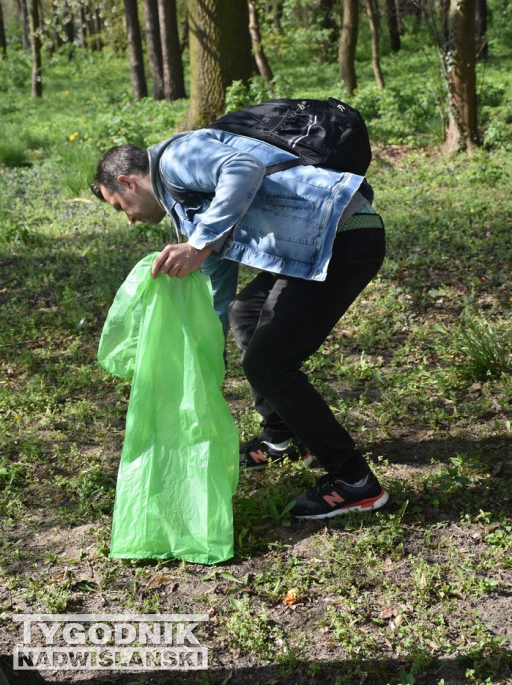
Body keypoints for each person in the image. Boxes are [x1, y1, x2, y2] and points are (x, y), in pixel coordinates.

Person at [91, 126, 389, 519]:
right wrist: (197, 359)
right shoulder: (184, 204)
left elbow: (242, 166)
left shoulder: (176, 158)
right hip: (318, 244)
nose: (128, 219)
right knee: (244, 312)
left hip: (344, 235)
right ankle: (281, 436)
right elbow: (217, 287)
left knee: (269, 364)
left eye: (119, 206)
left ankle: (355, 482)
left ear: (127, 181)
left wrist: (198, 244)